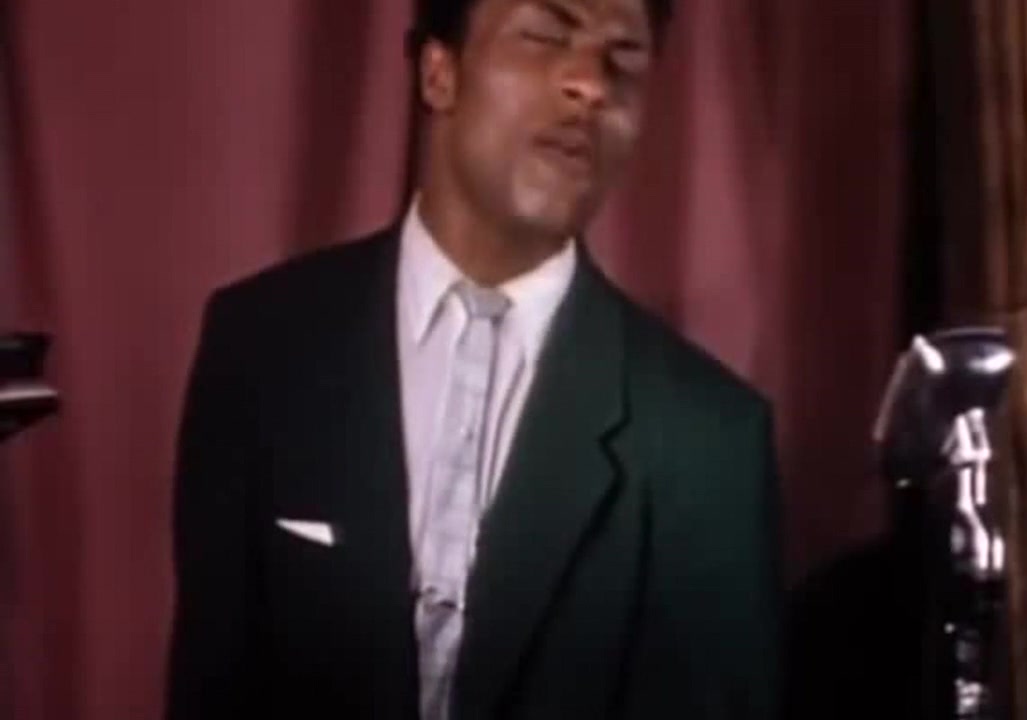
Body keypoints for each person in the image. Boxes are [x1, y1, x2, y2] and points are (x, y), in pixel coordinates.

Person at [165, 0, 782, 717]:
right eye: (545, 35)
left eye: (624, 59)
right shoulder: (261, 347)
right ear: (440, 73)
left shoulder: (711, 440)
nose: (590, 84)